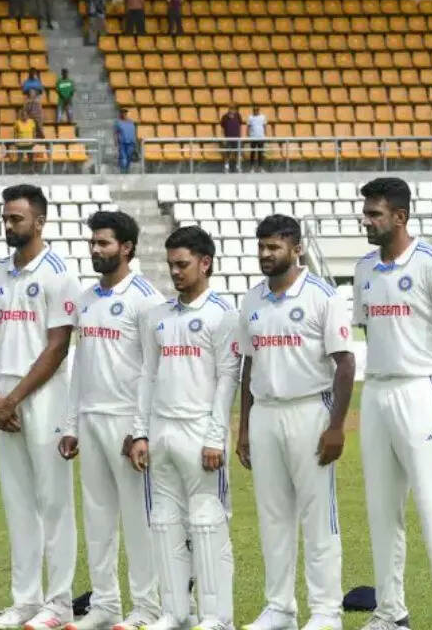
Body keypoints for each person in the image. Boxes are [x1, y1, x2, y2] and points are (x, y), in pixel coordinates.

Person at [352, 178, 432, 630]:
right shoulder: (365, 268)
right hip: (376, 390)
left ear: (400, 217)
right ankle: (390, 612)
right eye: (366, 213)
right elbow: (371, 331)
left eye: (374, 214)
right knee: (381, 508)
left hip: (422, 387)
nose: (366, 221)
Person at [236, 215, 354, 630]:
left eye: (274, 247)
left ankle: (326, 612)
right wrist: (244, 428)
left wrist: (336, 426)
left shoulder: (323, 295)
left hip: (310, 409)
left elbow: (345, 363)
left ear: (297, 249)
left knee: (317, 515)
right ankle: (279, 608)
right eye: (262, 247)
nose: (266, 254)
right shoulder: (252, 299)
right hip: (265, 413)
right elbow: (248, 366)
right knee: (273, 517)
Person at [0, 185, 80, 630]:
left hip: (45, 397)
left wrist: (12, 399)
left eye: (16, 218)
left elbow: (57, 347)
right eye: (5, 217)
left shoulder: (60, 273)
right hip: (2, 398)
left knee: (53, 502)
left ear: (39, 221)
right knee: (18, 502)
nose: (8, 225)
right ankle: (25, 600)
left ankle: (59, 603)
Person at [129, 225, 239, 630]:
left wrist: (215, 437)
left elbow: (227, 379)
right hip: (162, 431)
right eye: (171, 265)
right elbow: (148, 376)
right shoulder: (157, 317)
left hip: (200, 432)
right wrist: (140, 432)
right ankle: (175, 612)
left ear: (205, 263)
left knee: (207, 523)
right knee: (163, 522)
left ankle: (217, 617)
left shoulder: (223, 314)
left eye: (183, 264)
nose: (175, 272)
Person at [59, 211, 163, 630]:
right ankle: (105, 605)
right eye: (93, 242)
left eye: (103, 242)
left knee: (139, 520)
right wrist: (70, 424)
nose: (95, 249)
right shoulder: (85, 299)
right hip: (91, 418)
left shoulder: (146, 298)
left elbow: (153, 370)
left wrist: (140, 430)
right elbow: (79, 366)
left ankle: (147, 607)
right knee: (97, 519)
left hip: (126, 423)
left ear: (127, 247)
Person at [219, 107, 244, 172]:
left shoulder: (238, 115)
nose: (232, 110)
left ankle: (238, 167)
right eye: (231, 109)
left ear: (235, 110)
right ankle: (226, 167)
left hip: (237, 138)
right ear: (228, 110)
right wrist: (223, 137)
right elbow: (222, 128)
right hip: (228, 138)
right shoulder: (224, 117)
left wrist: (241, 136)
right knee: (227, 153)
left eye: (233, 109)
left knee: (237, 153)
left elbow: (241, 126)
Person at [114, 108, 137, 173]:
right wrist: (116, 142)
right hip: (122, 143)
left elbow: (134, 132)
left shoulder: (131, 122)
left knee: (129, 157)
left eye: (125, 113)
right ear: (120, 114)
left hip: (131, 143)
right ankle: (122, 171)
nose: (124, 114)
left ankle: (127, 171)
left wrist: (135, 142)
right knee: (124, 158)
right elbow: (115, 133)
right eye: (122, 113)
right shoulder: (117, 122)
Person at [246, 106, 268, 171]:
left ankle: (260, 167)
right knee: (252, 152)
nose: (255, 111)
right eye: (254, 110)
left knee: (260, 153)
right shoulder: (250, 117)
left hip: (261, 137)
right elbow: (248, 126)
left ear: (259, 110)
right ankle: (252, 167)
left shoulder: (263, 117)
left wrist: (265, 134)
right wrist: (247, 134)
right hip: (253, 137)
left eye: (257, 110)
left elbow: (264, 126)